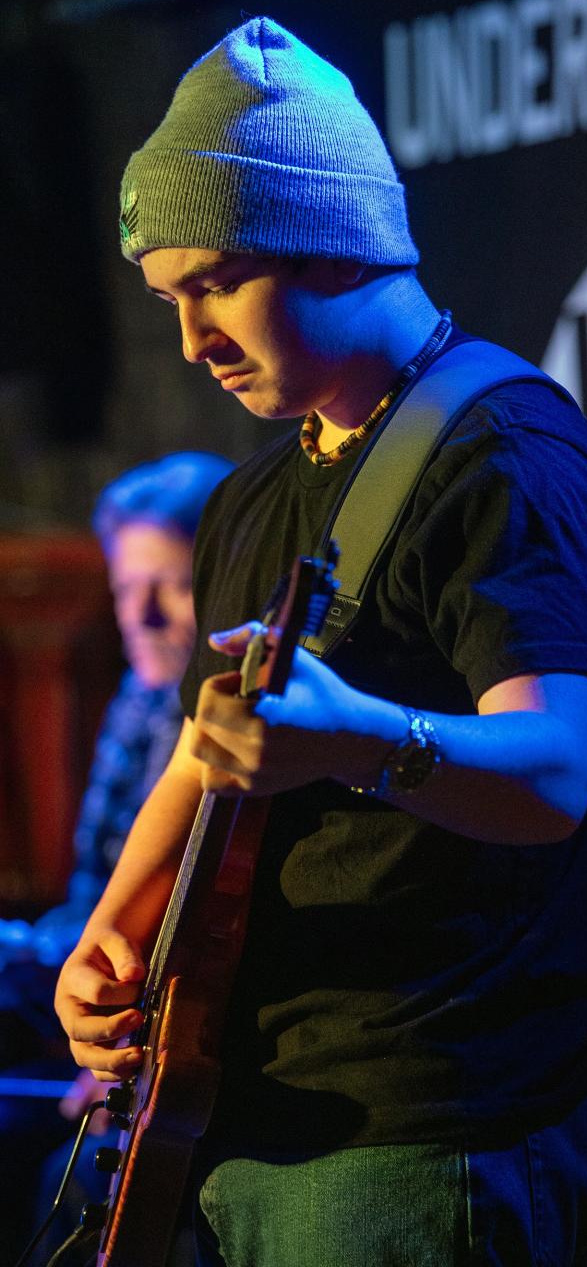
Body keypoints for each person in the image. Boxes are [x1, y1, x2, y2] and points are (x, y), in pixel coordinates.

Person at [53, 17, 587, 1267]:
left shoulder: (506, 458)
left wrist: (357, 742)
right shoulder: (252, 498)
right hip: (232, 1105)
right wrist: (113, 930)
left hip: (424, 1127)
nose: (191, 341)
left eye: (214, 284)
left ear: (328, 239)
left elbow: (553, 774)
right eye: (168, 302)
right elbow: (215, 746)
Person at [0, 451, 231, 1259]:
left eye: (170, 586)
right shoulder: (138, 704)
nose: (144, 614)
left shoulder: (233, 729)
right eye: (127, 589)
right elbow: (95, 896)